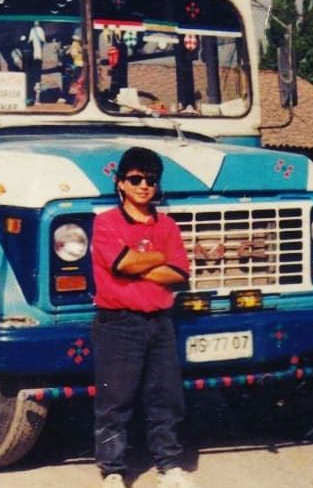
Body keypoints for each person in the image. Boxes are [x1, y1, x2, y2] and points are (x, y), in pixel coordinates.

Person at [91, 146, 194, 488]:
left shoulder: (167, 225)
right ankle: (113, 470)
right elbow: (121, 263)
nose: (143, 185)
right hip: (117, 324)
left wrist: (140, 261)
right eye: (135, 178)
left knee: (165, 398)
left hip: (160, 323)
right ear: (120, 183)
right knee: (115, 401)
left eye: (150, 179)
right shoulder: (105, 223)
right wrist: (158, 258)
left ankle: (169, 466)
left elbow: (180, 274)